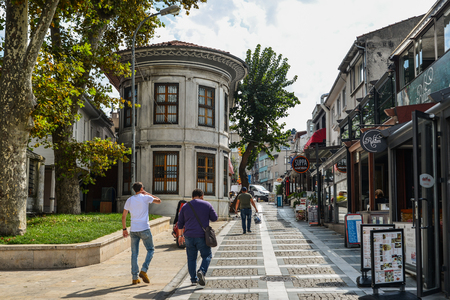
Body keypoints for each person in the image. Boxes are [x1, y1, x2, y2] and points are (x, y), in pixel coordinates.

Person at [122, 182, 161, 285]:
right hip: (144, 229)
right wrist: (147, 193)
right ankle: (143, 270)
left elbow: (124, 216)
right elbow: (159, 201)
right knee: (151, 249)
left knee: (134, 254)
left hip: (134, 230)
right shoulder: (145, 197)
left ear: (134, 190)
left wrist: (124, 229)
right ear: (142, 188)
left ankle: (135, 278)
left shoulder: (129, 200)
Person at [177, 188, 218, 286]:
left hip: (189, 236)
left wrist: (180, 236)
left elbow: (180, 223)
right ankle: (202, 271)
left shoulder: (185, 206)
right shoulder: (207, 204)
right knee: (207, 255)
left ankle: (193, 280)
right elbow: (215, 218)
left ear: (192, 196)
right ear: (202, 196)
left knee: (191, 258)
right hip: (202, 236)